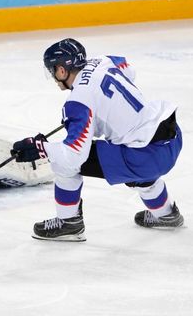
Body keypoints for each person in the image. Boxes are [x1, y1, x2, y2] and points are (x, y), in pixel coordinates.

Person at [11, 38, 183, 242]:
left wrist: (41, 148)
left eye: (52, 70)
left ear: (62, 70)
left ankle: (69, 223)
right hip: (170, 138)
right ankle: (166, 214)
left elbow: (73, 156)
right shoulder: (103, 61)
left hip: (144, 157)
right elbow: (128, 69)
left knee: (64, 164)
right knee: (129, 149)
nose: (53, 77)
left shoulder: (78, 103)